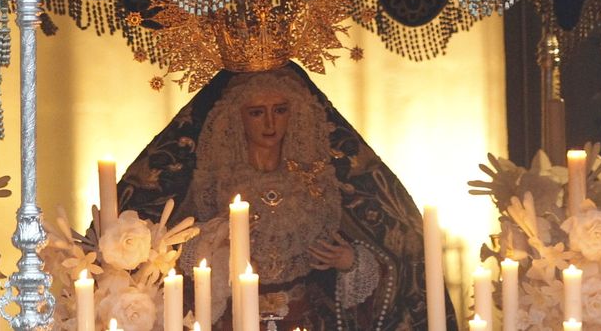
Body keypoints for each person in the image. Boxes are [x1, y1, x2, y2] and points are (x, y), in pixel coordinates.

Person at [115, 64, 455, 331]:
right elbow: (169, 258)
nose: (270, 123)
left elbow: (389, 250)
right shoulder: (212, 184)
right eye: (256, 112)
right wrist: (213, 242)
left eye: (280, 110)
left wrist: (350, 262)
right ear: (235, 118)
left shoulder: (319, 180)